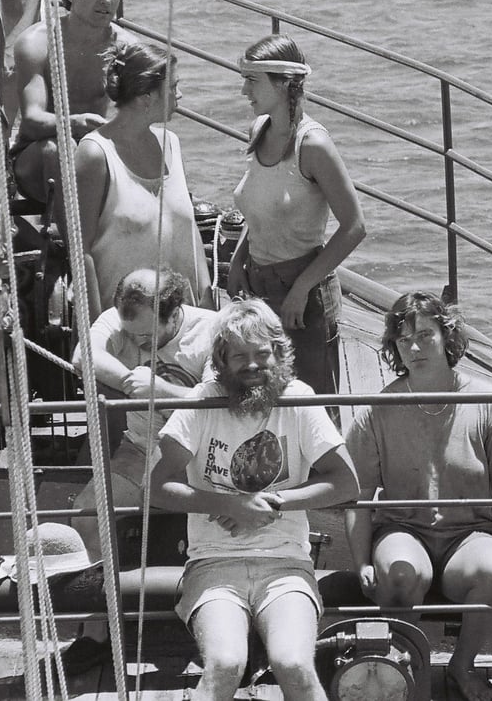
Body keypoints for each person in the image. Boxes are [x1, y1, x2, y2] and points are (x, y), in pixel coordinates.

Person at [150, 299, 360, 701]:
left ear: (279, 353)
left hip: (286, 564)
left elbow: (346, 483)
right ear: (221, 361)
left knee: (294, 663)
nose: (251, 366)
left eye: (262, 354)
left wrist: (272, 502)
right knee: (225, 664)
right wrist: (228, 505)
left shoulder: (298, 399)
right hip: (213, 564)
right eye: (239, 356)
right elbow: (158, 488)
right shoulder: (201, 402)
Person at [345, 291, 492, 701]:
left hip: (470, 535)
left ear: (448, 337)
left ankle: (461, 667)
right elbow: (359, 497)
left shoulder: (489, 405)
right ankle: (408, 670)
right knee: (401, 574)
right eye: (404, 340)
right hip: (403, 528)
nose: (415, 347)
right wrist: (360, 563)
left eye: (425, 334)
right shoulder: (376, 411)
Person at [62, 267, 217, 674]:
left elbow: (224, 403)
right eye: (132, 335)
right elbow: (84, 357)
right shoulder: (124, 316)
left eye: (147, 337)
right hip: (138, 449)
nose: (137, 342)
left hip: (195, 456)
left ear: (174, 312)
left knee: (224, 522)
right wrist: (133, 380)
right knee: (87, 515)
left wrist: (162, 391)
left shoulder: (212, 332)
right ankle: (96, 632)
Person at [228, 34, 366, 417]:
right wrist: (239, 261)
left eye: (252, 80)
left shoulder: (314, 145)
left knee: (314, 411)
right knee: (263, 402)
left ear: (284, 84)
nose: (244, 90)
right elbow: (257, 207)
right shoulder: (259, 129)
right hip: (258, 288)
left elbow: (354, 226)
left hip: (303, 299)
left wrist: (302, 288)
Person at [69, 41, 210, 318]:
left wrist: (208, 310)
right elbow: (79, 250)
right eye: (172, 87)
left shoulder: (172, 144)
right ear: (147, 96)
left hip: (180, 322)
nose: (179, 95)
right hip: (124, 323)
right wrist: (97, 332)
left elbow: (189, 232)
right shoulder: (95, 154)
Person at [10, 0, 136, 205]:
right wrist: (76, 123)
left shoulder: (127, 48)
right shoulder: (37, 43)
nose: (108, 1)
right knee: (58, 150)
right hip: (37, 156)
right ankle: (77, 246)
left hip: (96, 152)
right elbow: (32, 121)